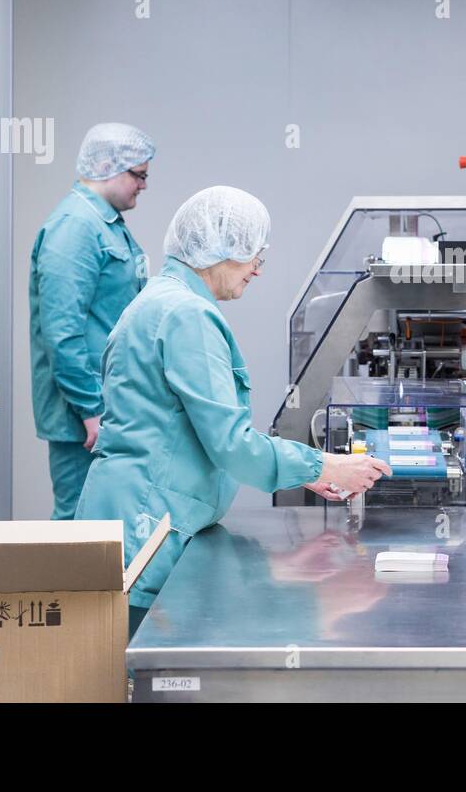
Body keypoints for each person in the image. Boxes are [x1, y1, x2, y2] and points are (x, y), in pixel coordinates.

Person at [76, 186, 390, 637]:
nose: (258, 270)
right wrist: (325, 464)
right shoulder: (187, 316)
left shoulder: (158, 301)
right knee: (134, 674)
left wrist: (305, 475)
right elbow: (230, 445)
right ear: (217, 249)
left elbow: (185, 433)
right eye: (253, 256)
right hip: (145, 531)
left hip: (132, 521)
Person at [29, 123, 155, 520]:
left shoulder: (105, 225)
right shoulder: (75, 228)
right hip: (84, 420)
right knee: (77, 530)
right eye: (139, 175)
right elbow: (61, 334)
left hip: (107, 411)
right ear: (105, 165)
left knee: (99, 529)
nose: (144, 186)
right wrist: (90, 410)